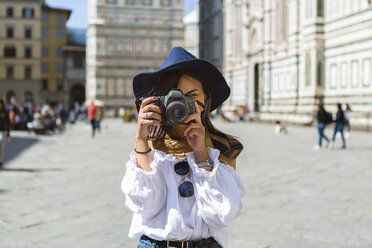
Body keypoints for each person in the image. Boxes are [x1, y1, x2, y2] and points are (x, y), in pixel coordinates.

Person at [121, 47, 245, 248]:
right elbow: (146, 206)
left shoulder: (222, 149)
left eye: (191, 95)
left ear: (206, 97)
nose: (179, 105)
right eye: (172, 97)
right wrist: (141, 142)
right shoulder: (151, 148)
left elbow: (220, 213)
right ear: (160, 101)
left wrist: (202, 153)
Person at [0, 100, 11, 169]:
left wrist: (8, 134)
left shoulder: (5, 112)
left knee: (1, 148)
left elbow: (8, 124)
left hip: (3, 132)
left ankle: (0, 162)